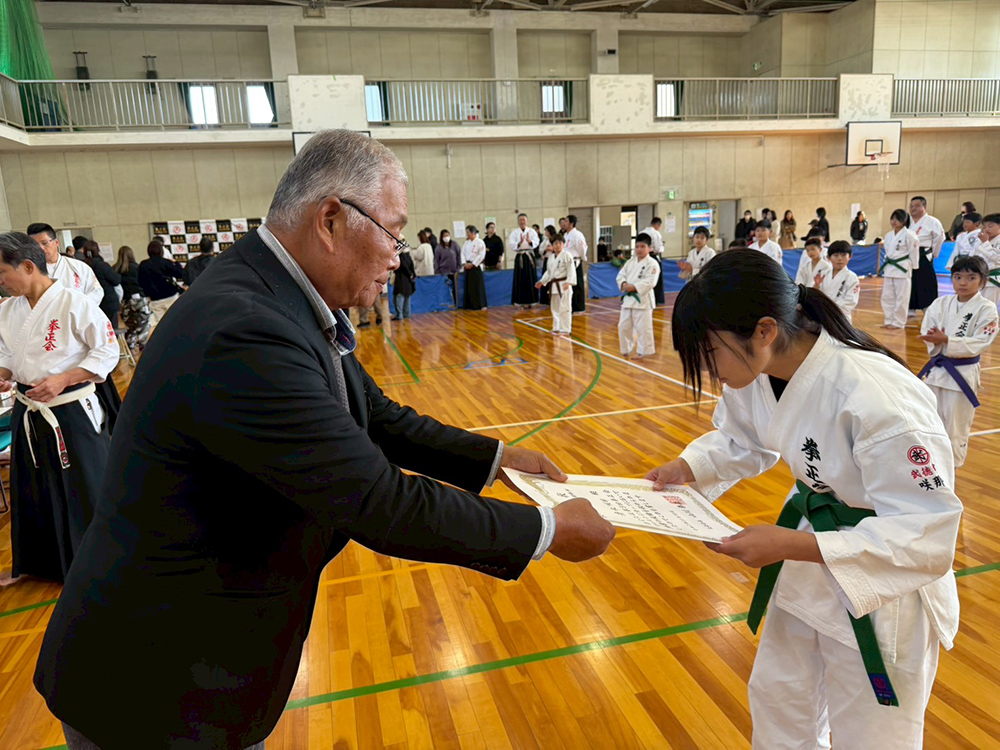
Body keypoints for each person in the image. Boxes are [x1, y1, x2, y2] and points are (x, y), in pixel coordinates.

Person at [33, 129, 615, 750]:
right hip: (156, 680)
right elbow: (376, 500)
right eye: (393, 231)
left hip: (193, 661)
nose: (399, 253)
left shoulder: (277, 296)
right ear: (332, 219)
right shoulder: (245, 329)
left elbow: (378, 416)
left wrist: (496, 459)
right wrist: (545, 532)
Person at [648, 248, 962, 750]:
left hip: (883, 584)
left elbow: (926, 536)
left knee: (872, 736)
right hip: (809, 560)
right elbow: (740, 438)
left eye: (711, 354)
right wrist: (687, 468)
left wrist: (788, 547)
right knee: (780, 706)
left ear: (765, 330)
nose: (711, 373)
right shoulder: (758, 368)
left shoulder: (876, 396)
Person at [0, 232, 119, 584]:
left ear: (26, 265)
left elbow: (106, 352)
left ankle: (100, 563)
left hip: (69, 409)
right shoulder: (6, 310)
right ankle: (40, 563)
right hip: (29, 409)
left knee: (85, 485)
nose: (1, 283)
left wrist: (65, 378)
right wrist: (5, 374)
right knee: (32, 486)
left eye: (3, 274)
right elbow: (8, 354)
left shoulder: (74, 302)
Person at [918, 255, 998, 468]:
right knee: (930, 423)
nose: (963, 282)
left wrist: (947, 340)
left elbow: (981, 341)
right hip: (936, 373)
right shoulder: (941, 303)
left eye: (971, 278)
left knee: (955, 428)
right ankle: (932, 467)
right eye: (958, 277)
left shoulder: (987, 309)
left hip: (961, 376)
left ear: (983, 281)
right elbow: (927, 329)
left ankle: (951, 469)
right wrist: (935, 340)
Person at [26, 224, 103, 306]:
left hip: (78, 314)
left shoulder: (78, 267)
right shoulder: (29, 271)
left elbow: (96, 291)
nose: (40, 248)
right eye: (35, 245)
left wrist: (79, 308)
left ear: (56, 242)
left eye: (45, 243)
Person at [616, 232, 661, 360]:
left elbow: (651, 281)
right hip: (629, 299)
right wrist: (624, 283)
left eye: (642, 247)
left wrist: (634, 287)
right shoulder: (630, 262)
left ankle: (644, 352)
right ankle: (626, 348)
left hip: (643, 300)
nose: (639, 249)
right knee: (623, 326)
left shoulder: (653, 264)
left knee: (643, 329)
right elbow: (621, 275)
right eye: (637, 247)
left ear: (650, 248)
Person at [879, 208, 920, 329]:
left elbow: (914, 252)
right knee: (887, 296)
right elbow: (887, 251)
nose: (894, 221)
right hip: (890, 267)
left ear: (904, 221)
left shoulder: (910, 235)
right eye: (892, 218)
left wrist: (914, 266)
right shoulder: (888, 235)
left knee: (902, 297)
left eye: (898, 219)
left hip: (902, 267)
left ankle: (898, 322)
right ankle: (888, 320)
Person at [907, 196, 945, 315]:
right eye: (911, 206)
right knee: (910, 281)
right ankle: (911, 307)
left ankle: (928, 307)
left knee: (926, 281)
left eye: (917, 206)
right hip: (909, 254)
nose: (913, 209)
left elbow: (940, 238)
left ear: (924, 207)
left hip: (924, 254)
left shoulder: (933, 222)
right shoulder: (907, 222)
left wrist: (934, 253)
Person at [138, 240, 186, 333]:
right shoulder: (166, 263)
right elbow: (180, 274)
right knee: (174, 322)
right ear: (161, 251)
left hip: (155, 299)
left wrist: (147, 294)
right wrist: (175, 263)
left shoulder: (143, 265)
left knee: (158, 325)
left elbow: (141, 282)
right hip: (171, 297)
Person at [113, 245, 151, 351]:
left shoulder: (115, 269)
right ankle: (143, 346)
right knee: (143, 322)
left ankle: (131, 345)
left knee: (130, 325)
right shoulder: (137, 267)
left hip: (125, 300)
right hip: (139, 299)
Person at [535, 234, 575, 337]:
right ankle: (557, 328)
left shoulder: (567, 255)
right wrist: (542, 281)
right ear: (552, 245)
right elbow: (548, 272)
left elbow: (571, 270)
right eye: (555, 243)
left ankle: (565, 329)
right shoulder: (551, 258)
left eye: (560, 243)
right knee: (555, 308)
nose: (557, 245)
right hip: (554, 286)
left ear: (563, 244)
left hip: (564, 284)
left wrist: (569, 282)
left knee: (565, 307)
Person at [817, 241, 860, 323]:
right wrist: (816, 285)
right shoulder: (823, 274)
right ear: (828, 258)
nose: (840, 259)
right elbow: (816, 293)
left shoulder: (852, 277)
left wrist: (830, 309)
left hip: (841, 318)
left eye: (843, 255)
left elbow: (850, 301)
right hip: (823, 315)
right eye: (836, 255)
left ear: (850, 256)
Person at [509, 213, 539, 308]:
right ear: (518, 221)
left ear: (527, 221)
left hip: (529, 255)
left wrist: (530, 242)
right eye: (520, 220)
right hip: (520, 256)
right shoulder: (514, 232)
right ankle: (519, 301)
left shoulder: (532, 231)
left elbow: (536, 242)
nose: (522, 222)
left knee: (530, 278)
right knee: (520, 278)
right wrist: (519, 243)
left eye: (524, 220)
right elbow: (511, 244)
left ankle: (532, 301)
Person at [975, 213, 1000, 306]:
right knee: (977, 305)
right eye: (984, 227)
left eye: (990, 226)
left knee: (989, 305)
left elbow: (997, 258)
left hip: (993, 278)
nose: (986, 229)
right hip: (980, 277)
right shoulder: (982, 240)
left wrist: (985, 242)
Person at [564, 215, 588, 313]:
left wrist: (582, 258)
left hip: (575, 261)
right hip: (567, 261)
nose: (564, 223)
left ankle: (579, 307)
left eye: (566, 221)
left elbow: (582, 248)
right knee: (569, 285)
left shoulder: (577, 234)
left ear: (571, 223)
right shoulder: (566, 235)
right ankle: (571, 306)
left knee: (577, 284)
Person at [462, 225, 488, 310]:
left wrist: (473, 264)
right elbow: (462, 253)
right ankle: (469, 305)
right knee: (469, 287)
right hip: (468, 265)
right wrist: (464, 263)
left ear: (473, 233)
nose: (467, 234)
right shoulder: (466, 243)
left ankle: (480, 304)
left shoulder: (480, 242)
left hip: (476, 266)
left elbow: (481, 255)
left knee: (478, 287)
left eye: (468, 233)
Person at [434, 229, 462, 307]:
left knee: (455, 290)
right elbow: (436, 260)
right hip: (443, 272)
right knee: (445, 290)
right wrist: (437, 271)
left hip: (454, 271)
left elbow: (459, 256)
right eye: (444, 236)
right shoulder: (439, 248)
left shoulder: (455, 245)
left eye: (447, 235)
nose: (446, 237)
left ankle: (456, 304)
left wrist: (459, 267)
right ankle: (446, 304)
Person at [641, 218, 665, 305]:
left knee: (644, 277)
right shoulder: (656, 233)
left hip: (643, 257)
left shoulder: (642, 232)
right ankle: (657, 299)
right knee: (656, 279)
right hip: (653, 256)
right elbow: (658, 248)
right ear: (658, 225)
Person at [391, 243, 416, 320]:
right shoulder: (408, 256)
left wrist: (409, 273)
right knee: (407, 297)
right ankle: (407, 314)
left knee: (399, 297)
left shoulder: (400, 256)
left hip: (401, 279)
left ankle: (399, 315)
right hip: (408, 280)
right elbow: (411, 266)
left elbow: (403, 266)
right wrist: (412, 274)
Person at [537, 225, 557, 307]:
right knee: (545, 279)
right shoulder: (545, 240)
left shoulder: (555, 239)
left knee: (553, 278)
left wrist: (552, 249)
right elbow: (540, 250)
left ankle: (554, 298)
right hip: (547, 260)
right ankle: (545, 299)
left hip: (554, 260)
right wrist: (546, 250)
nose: (545, 233)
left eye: (547, 231)